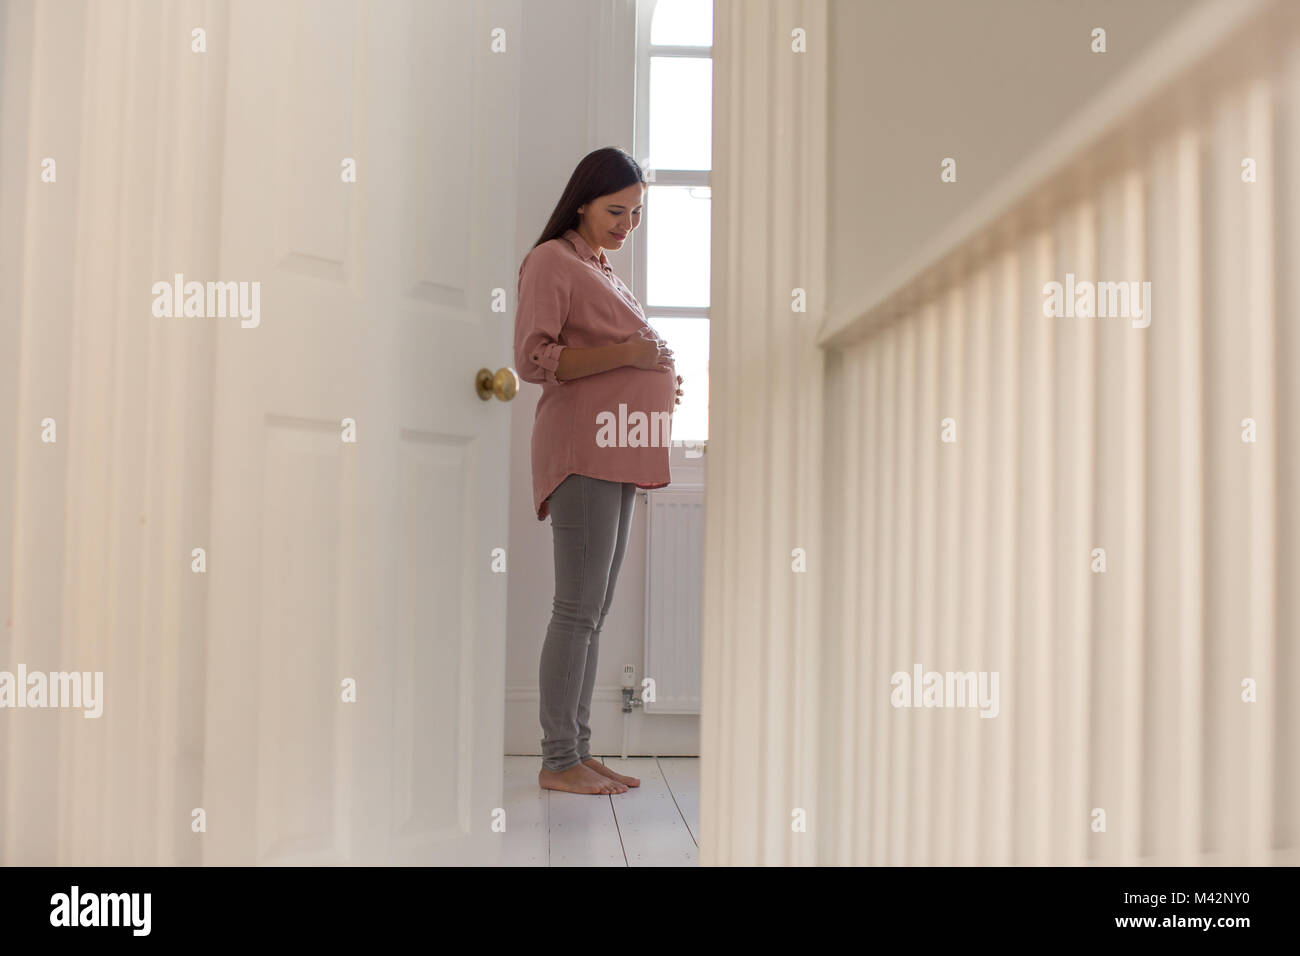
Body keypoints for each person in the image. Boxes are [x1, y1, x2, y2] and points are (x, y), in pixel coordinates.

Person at [514, 147, 684, 795]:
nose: (626, 224)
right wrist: (630, 355)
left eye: (636, 213)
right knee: (576, 608)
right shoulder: (551, 261)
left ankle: (577, 752)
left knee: (594, 609)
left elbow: (616, 358)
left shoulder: (600, 268)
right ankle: (558, 759)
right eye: (617, 210)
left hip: (617, 443)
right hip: (581, 448)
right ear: (582, 200)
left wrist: (653, 378)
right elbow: (535, 358)